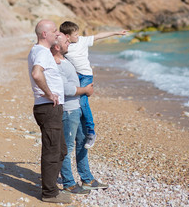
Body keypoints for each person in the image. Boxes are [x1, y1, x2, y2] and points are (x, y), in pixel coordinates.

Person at [51, 33, 109, 194]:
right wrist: (85, 90)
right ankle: (69, 183)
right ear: (57, 46)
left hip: (78, 108)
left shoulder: (65, 60)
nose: (69, 42)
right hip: (69, 110)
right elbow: (64, 89)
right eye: (66, 41)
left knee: (83, 142)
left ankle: (87, 179)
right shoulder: (56, 64)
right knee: (67, 148)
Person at [60, 21, 128, 149]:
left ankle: (91, 132)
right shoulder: (65, 45)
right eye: (75, 34)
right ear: (67, 36)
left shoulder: (82, 41)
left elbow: (98, 36)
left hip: (85, 75)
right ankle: (78, 130)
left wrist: (115, 32)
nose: (78, 35)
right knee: (75, 103)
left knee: (83, 102)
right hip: (73, 76)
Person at [27, 20, 71, 204]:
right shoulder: (42, 52)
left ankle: (51, 185)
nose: (57, 34)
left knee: (60, 149)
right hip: (48, 107)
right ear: (44, 34)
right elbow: (37, 74)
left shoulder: (38, 51)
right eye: (54, 31)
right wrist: (49, 93)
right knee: (53, 151)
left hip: (49, 108)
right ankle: (50, 193)